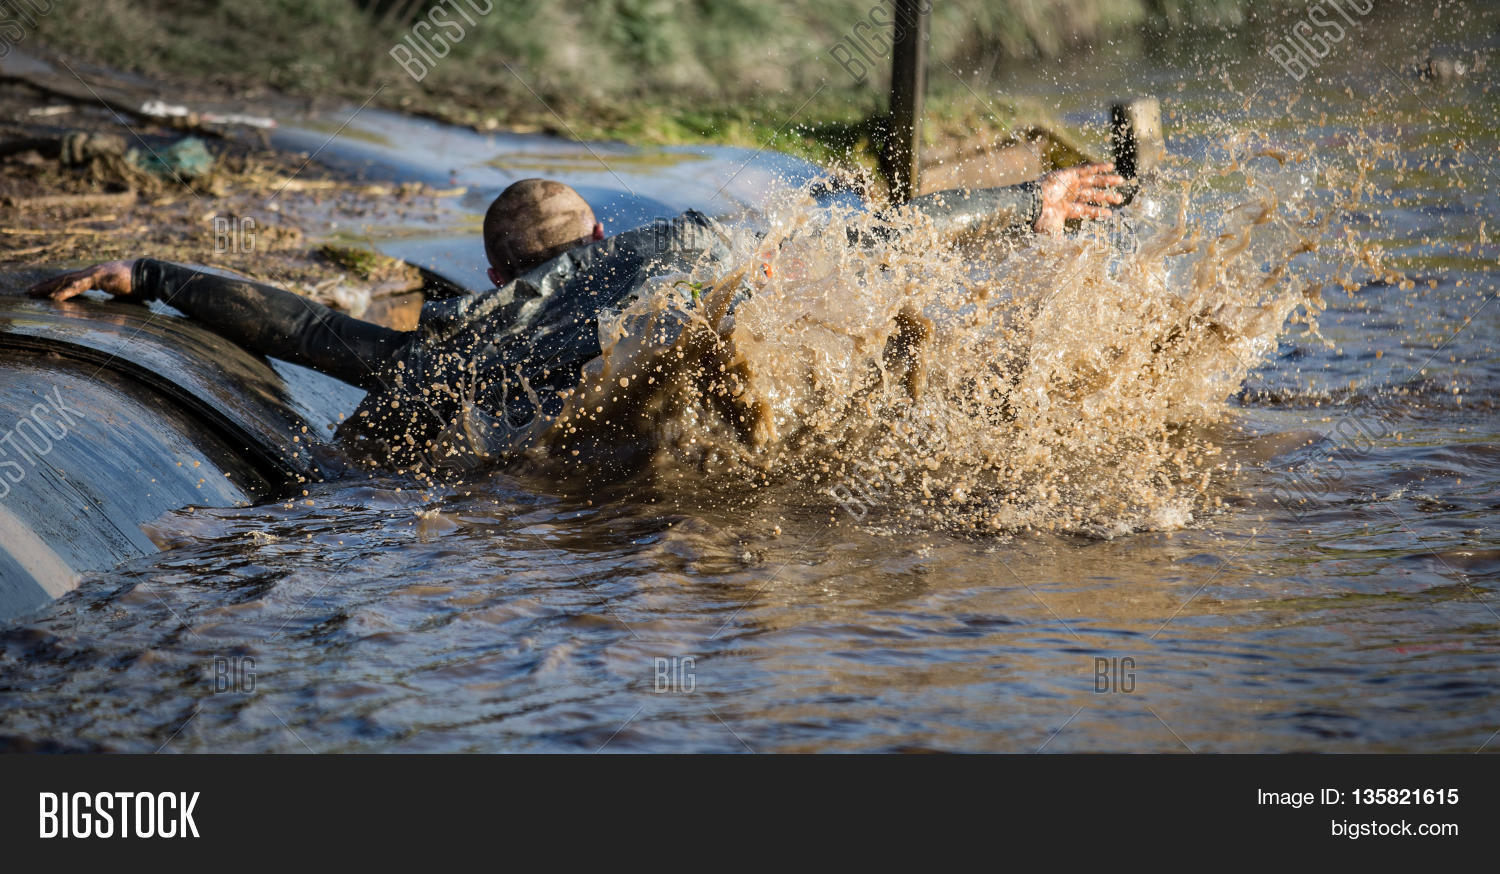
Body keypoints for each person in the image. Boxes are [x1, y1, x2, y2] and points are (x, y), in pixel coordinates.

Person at [28, 166, 1124, 470]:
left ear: (500, 272)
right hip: (707, 341)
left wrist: (157, 273)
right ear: (597, 240)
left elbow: (312, 332)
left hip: (550, 434)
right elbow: (871, 232)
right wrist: (1016, 204)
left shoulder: (459, 337)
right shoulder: (685, 243)